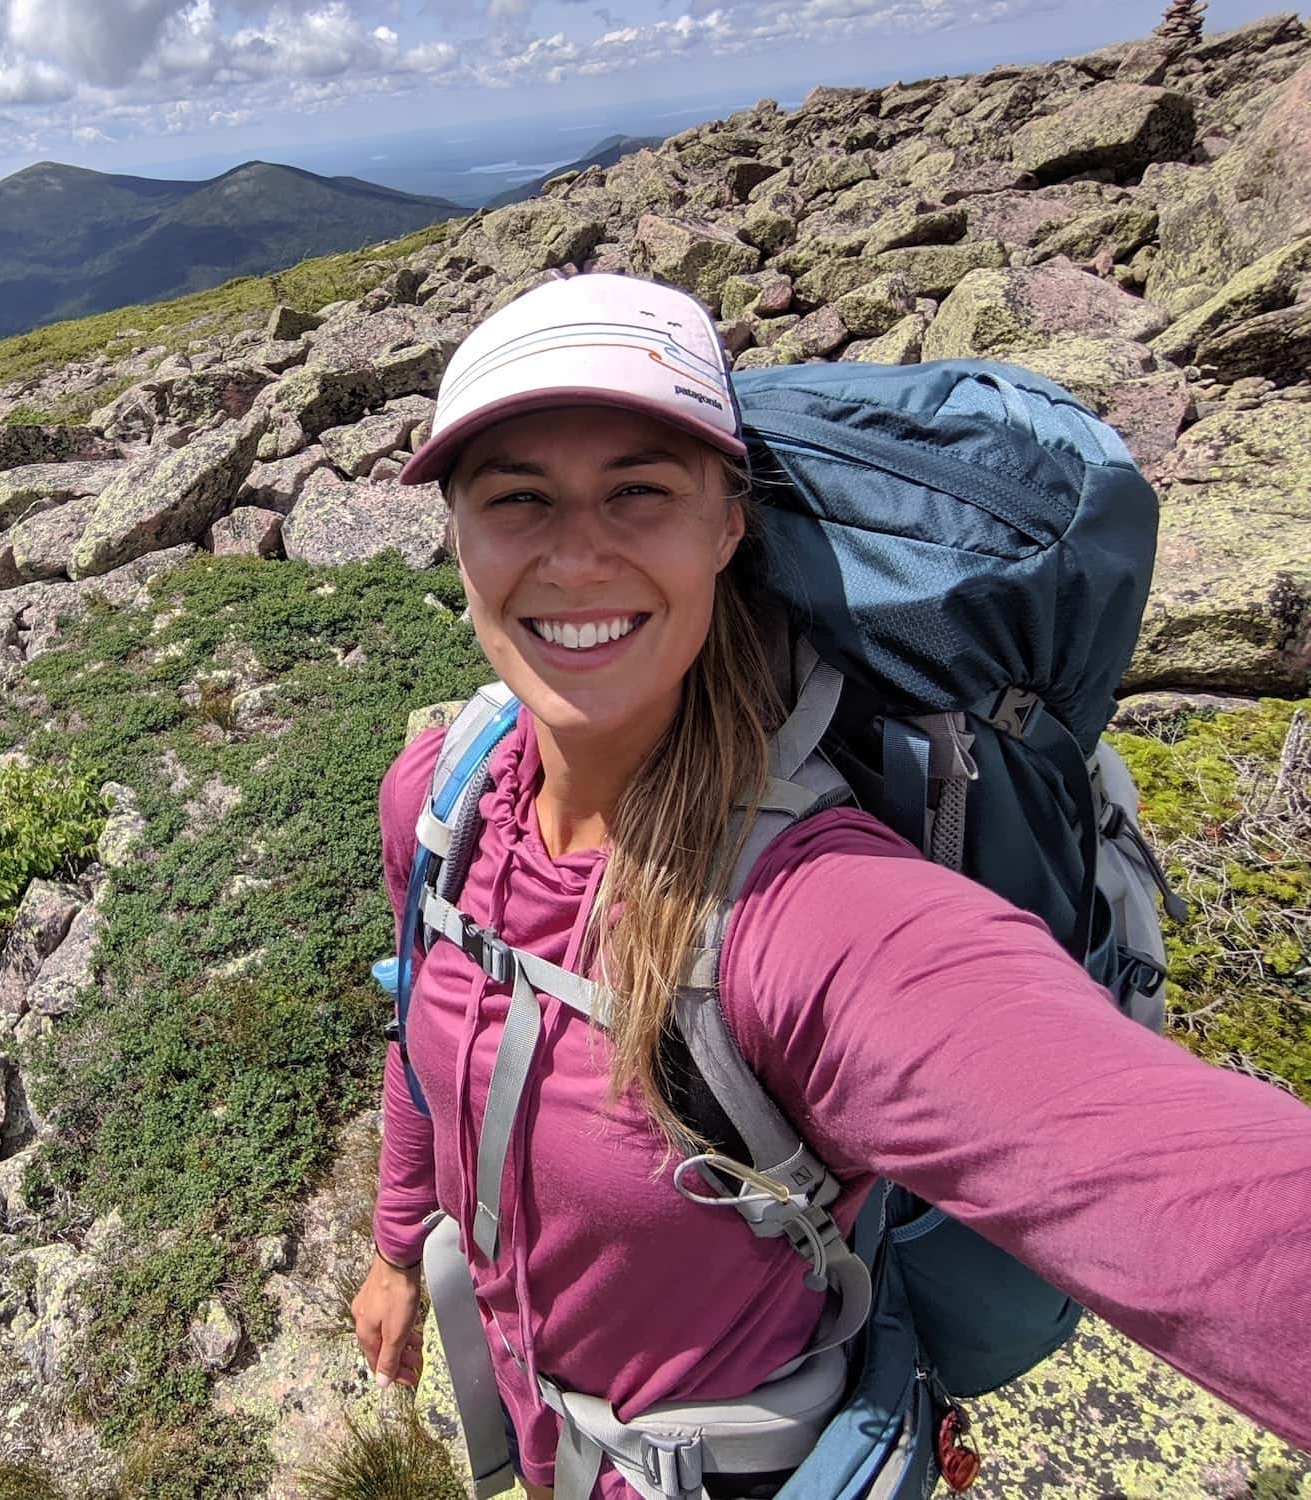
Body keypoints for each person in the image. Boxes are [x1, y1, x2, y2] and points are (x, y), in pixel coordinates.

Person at [349, 272, 1311, 1499]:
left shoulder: (808, 917)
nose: (575, 554)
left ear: (727, 526)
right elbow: (415, 1030)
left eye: (638, 491)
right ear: (458, 535)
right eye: (515, 499)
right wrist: (395, 1252)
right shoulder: (438, 795)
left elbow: (1195, 1199)